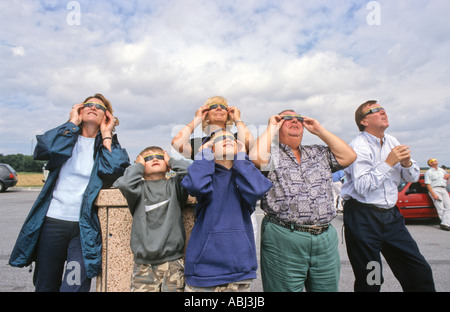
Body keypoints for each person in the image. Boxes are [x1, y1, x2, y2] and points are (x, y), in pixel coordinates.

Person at [9, 93, 130, 292]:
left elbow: (114, 169)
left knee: (73, 286)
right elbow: (43, 149)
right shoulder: (65, 138)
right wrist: (72, 122)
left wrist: (107, 134)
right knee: (46, 284)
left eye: (99, 107)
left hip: (83, 228)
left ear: (106, 116)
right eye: (88, 105)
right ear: (80, 110)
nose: (92, 107)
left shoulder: (107, 146)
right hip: (52, 222)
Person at [250, 110, 356, 292]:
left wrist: (319, 130)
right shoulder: (271, 154)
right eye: (286, 119)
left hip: (324, 237)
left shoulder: (317, 152)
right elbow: (255, 158)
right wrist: (271, 127)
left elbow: (349, 156)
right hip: (284, 235)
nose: (294, 121)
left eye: (298, 119)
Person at [340, 100, 435, 292]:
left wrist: (407, 163)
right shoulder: (358, 146)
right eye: (375, 110)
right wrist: (389, 162)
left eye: (383, 108)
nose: (383, 111)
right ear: (364, 121)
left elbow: (413, 177)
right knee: (371, 277)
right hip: (363, 218)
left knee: (418, 271)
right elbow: (362, 186)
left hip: (391, 217)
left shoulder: (392, 141)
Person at [181, 129, 272, 291]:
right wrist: (204, 155)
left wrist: (242, 157)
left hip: (240, 269)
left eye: (232, 138)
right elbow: (196, 186)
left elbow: (258, 189)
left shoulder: (244, 176)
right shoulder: (205, 175)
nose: (227, 139)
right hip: (204, 271)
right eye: (220, 138)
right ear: (210, 148)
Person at [113, 146, 190, 291]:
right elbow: (124, 183)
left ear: (167, 165)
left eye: (160, 157)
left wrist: (172, 161)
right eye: (148, 158)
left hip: (172, 262)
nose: (154, 159)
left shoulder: (175, 186)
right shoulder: (137, 190)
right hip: (143, 266)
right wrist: (138, 166)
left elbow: (190, 172)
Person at [171, 96, 253, 160]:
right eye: (213, 106)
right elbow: (177, 143)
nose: (219, 108)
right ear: (205, 114)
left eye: (223, 107)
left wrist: (237, 119)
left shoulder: (237, 137)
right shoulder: (199, 143)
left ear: (228, 115)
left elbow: (248, 142)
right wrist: (197, 119)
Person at [425, 158, 450, 231]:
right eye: (433, 160)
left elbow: (447, 174)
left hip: (443, 189)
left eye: (435, 160)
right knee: (440, 208)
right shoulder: (428, 172)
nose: (435, 161)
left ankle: (444, 223)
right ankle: (446, 224)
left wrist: (448, 175)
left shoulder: (441, 170)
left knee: (449, 206)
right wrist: (433, 194)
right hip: (435, 189)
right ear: (430, 164)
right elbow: (428, 184)